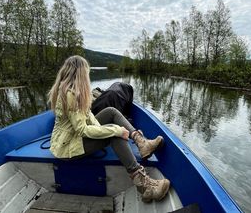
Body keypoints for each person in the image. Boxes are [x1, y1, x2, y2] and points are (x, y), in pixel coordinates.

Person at [48, 55, 170, 202]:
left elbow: (89, 118)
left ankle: (141, 143)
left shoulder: (71, 90)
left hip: (71, 138)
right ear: (80, 75)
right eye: (86, 73)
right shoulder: (71, 95)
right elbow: (83, 130)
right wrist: (114, 131)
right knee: (115, 134)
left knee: (111, 111)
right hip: (67, 146)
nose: (88, 77)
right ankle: (145, 186)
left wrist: (105, 129)